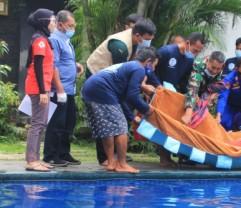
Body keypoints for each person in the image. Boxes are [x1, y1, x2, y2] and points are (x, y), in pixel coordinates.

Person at [85, 18, 157, 166]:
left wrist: (132, 117)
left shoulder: (134, 58)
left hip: (94, 87)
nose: (147, 43)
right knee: (120, 126)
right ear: (138, 35)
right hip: (100, 85)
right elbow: (129, 95)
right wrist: (147, 109)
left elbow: (122, 95)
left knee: (107, 124)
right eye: (147, 39)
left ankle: (111, 161)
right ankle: (120, 163)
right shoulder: (123, 48)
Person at [146, 32, 205, 167]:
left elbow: (184, 80)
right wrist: (158, 86)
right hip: (158, 93)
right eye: (195, 50)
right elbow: (150, 69)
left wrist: (188, 95)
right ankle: (164, 158)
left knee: (171, 127)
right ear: (188, 43)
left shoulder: (189, 59)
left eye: (199, 52)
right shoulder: (167, 51)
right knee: (161, 126)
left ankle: (171, 157)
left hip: (172, 96)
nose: (195, 54)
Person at [42, 10, 84, 167]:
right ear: (60, 25)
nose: (73, 29)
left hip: (69, 89)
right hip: (59, 89)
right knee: (57, 123)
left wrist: (75, 65)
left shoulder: (67, 41)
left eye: (74, 25)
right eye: (70, 26)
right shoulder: (55, 40)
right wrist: (59, 89)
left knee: (69, 122)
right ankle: (50, 155)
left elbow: (65, 61)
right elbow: (53, 65)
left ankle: (63, 153)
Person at [24, 8, 56, 172]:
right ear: (44, 22)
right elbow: (37, 66)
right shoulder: (40, 41)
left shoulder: (43, 39)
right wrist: (43, 91)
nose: (54, 23)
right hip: (38, 88)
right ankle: (31, 160)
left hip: (43, 87)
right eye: (52, 20)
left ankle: (36, 158)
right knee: (37, 123)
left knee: (41, 123)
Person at [181, 51, 226, 127]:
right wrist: (188, 114)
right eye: (213, 67)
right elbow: (193, 89)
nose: (214, 71)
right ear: (207, 61)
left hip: (202, 96)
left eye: (218, 69)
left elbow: (216, 92)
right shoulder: (197, 65)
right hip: (185, 92)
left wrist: (217, 117)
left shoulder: (219, 72)